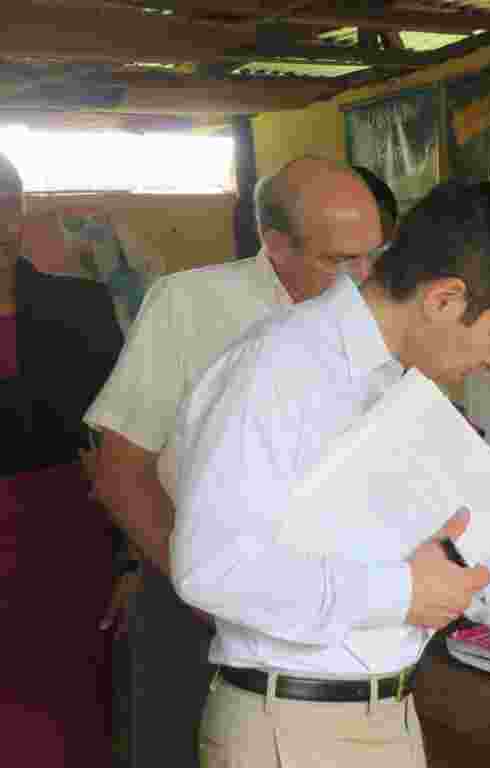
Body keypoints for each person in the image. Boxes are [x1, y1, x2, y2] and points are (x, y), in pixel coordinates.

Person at [170, 180, 490, 767]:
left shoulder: (405, 384)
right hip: (290, 726)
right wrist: (402, 593)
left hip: (390, 716)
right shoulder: (277, 366)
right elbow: (209, 569)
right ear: (444, 299)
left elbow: (477, 556)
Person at [85, 156, 394, 767]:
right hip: (190, 604)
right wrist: (209, 593)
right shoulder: (190, 303)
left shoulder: (379, 319)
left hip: (326, 616)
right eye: (340, 261)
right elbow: (120, 472)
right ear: (275, 244)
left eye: (374, 257)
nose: (362, 281)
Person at [0, 151, 125, 765]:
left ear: (21, 211)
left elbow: (123, 438)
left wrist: (130, 559)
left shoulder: (81, 306)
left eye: (5, 205)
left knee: (71, 710)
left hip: (66, 541)